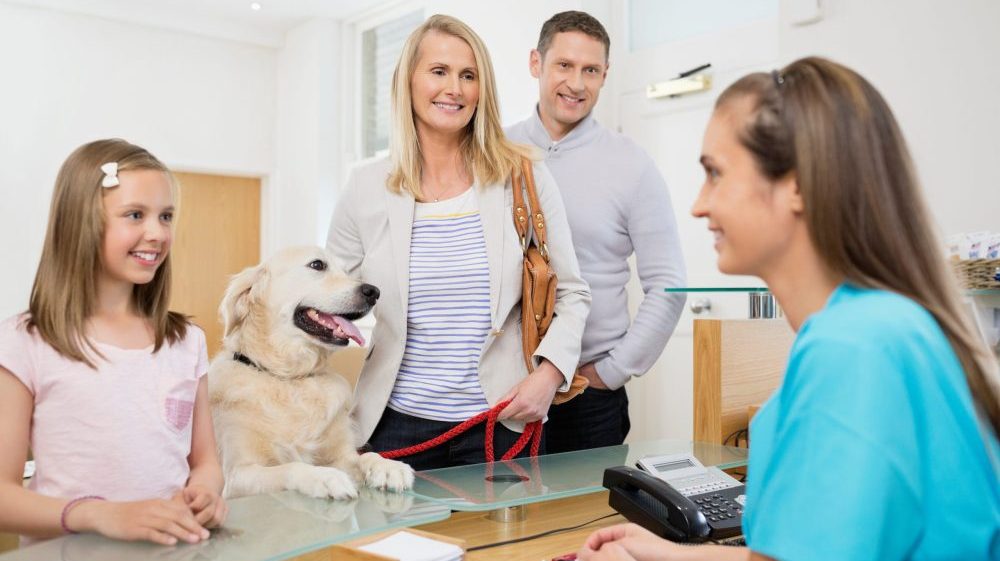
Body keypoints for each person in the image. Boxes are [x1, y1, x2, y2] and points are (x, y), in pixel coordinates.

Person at [579, 57, 1000, 560]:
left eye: (715, 174)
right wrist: (667, 554)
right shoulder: (880, 325)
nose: (699, 205)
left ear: (797, 184)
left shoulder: (851, 349)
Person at [327, 15, 591, 471]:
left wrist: (548, 377)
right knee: (402, 545)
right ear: (408, 81)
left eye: (468, 76)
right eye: (439, 71)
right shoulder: (365, 187)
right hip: (395, 428)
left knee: (511, 546)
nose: (454, 88)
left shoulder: (524, 176)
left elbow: (572, 293)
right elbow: (328, 299)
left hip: (504, 421)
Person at [0, 139, 227, 546]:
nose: (157, 233)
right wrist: (98, 514)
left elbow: (205, 461)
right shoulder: (27, 341)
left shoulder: (186, 342)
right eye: (135, 215)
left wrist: (206, 492)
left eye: (167, 216)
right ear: (81, 222)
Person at [506, 11, 686, 452]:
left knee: (587, 521)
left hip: (588, 397)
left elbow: (670, 284)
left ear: (606, 75)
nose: (577, 83)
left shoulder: (632, 165)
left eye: (591, 70)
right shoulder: (494, 151)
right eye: (564, 65)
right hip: (502, 385)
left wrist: (613, 371)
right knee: (497, 519)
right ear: (536, 63)